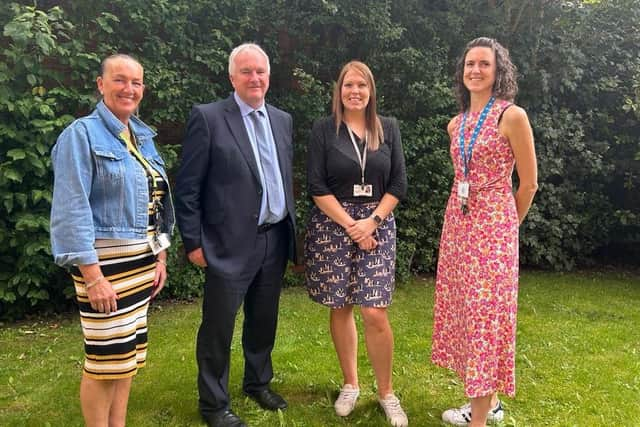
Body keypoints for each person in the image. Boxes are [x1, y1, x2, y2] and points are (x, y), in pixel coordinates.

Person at [174, 43, 296, 427]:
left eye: (260, 71)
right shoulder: (208, 118)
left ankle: (257, 383)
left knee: (264, 317)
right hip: (227, 243)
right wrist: (193, 242)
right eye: (246, 71)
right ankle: (213, 403)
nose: (254, 78)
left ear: (269, 76)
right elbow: (188, 186)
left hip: (274, 237)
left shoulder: (282, 119)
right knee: (218, 325)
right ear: (232, 77)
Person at [50, 54, 174, 427]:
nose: (129, 89)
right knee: (103, 362)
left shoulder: (141, 136)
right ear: (101, 84)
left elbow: (158, 203)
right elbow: (71, 208)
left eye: (136, 82)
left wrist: (161, 258)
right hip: (105, 268)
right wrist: (92, 277)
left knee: (126, 359)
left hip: (141, 264)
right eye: (120, 80)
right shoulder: (81, 135)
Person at [431, 37, 538, 427]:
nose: (475, 70)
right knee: (466, 314)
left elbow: (528, 184)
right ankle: (486, 405)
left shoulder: (511, 116)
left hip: (493, 231)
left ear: (498, 71)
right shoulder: (455, 124)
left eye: (484, 64)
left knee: (484, 318)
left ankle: (477, 421)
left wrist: (507, 226)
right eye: (469, 64)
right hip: (458, 226)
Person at [305, 60, 408, 427]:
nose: (355, 92)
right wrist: (352, 225)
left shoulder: (388, 129)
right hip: (335, 225)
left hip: (378, 225)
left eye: (362, 86)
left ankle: (386, 392)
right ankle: (351, 383)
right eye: (349, 85)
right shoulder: (324, 130)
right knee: (342, 304)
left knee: (374, 310)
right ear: (339, 90)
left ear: (371, 91)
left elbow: (398, 184)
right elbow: (316, 186)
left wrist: (371, 222)